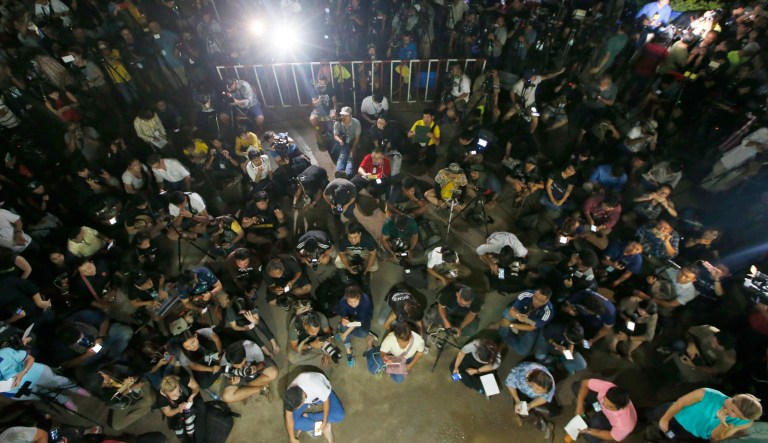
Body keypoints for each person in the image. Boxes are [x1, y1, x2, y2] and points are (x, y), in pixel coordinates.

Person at [650, 390, 761, 442]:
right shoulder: (706, 393)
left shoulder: (746, 422)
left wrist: (723, 424)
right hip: (675, 415)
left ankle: (653, 435)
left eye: (739, 417)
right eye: (733, 410)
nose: (732, 415)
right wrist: (665, 419)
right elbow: (680, 403)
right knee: (653, 415)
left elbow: (717, 437)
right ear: (733, 400)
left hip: (691, 432)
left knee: (669, 436)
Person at [0, 345, 87, 412]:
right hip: (14, 390)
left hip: (33, 372)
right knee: (41, 394)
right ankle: (63, 399)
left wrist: (22, 373)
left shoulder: (5, 353)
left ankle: (74, 387)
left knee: (55, 380)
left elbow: (30, 358)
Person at [283, 372, 345, 443]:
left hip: (323, 393)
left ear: (304, 397)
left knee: (339, 415)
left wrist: (324, 421)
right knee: (294, 423)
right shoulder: (290, 393)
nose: (296, 409)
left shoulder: (317, 386)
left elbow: (326, 401)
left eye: (298, 407)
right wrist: (292, 438)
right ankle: (323, 427)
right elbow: (289, 416)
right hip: (308, 398)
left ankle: (316, 421)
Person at [495, 287, 554, 357]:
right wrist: (517, 315)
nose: (536, 301)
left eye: (540, 300)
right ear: (534, 292)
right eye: (535, 297)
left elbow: (532, 328)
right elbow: (512, 310)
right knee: (507, 314)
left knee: (523, 351)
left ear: (546, 301)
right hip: (520, 313)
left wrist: (510, 325)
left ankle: (506, 337)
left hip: (531, 323)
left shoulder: (548, 312)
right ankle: (504, 334)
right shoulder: (527, 294)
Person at [573, 379, 637, 443]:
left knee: (593, 430)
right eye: (604, 400)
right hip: (598, 406)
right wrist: (579, 405)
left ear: (621, 408)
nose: (604, 405)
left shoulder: (625, 425)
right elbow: (585, 383)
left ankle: (591, 432)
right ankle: (589, 408)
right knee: (576, 386)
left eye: (609, 407)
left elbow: (610, 436)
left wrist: (588, 430)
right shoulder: (608, 387)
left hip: (607, 419)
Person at [505, 362, 557, 436]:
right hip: (522, 391)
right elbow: (510, 384)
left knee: (553, 411)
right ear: (531, 380)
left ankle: (535, 413)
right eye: (537, 388)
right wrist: (517, 400)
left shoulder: (549, 382)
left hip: (532, 396)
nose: (538, 392)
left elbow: (545, 397)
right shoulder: (518, 374)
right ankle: (543, 426)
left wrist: (530, 405)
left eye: (541, 391)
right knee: (520, 409)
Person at [157, 374, 206, 443]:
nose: (178, 394)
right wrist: (178, 409)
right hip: (178, 410)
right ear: (166, 393)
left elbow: (196, 386)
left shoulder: (183, 378)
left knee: (201, 408)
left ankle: (198, 439)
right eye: (174, 394)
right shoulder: (161, 399)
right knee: (183, 424)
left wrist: (192, 396)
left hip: (190, 400)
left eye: (178, 390)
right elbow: (168, 413)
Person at [335, 285, 375, 367]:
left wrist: (345, 334)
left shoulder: (366, 302)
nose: (353, 304)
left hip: (363, 318)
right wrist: (344, 321)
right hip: (351, 316)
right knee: (344, 325)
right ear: (346, 298)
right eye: (350, 302)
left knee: (363, 333)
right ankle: (349, 352)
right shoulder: (343, 301)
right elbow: (344, 316)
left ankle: (341, 332)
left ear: (359, 297)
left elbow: (357, 322)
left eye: (355, 302)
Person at [333, 106, 361, 178]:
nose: (344, 117)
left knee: (350, 157)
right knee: (342, 155)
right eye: (342, 115)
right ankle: (339, 172)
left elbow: (357, 138)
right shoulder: (337, 123)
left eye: (346, 115)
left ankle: (347, 173)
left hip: (352, 142)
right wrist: (340, 140)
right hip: (342, 143)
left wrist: (353, 148)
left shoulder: (356, 122)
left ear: (351, 116)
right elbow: (335, 135)